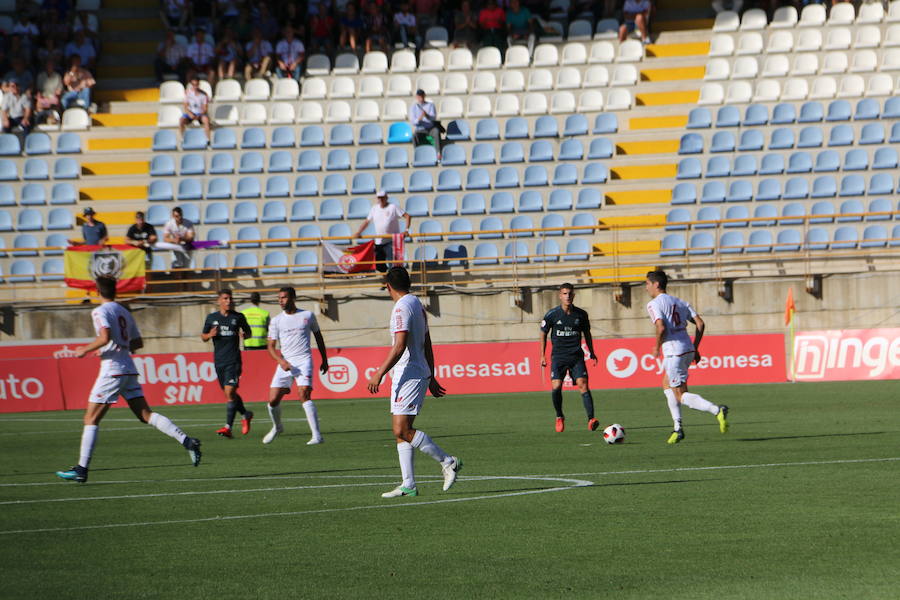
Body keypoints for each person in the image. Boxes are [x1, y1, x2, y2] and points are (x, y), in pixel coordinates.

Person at [55, 276, 202, 483]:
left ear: (97, 291)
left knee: (90, 419)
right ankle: (187, 441)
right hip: (128, 368)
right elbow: (138, 342)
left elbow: (104, 336)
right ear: (115, 290)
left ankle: (81, 469)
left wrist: (84, 350)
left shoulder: (100, 311)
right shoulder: (124, 311)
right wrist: (113, 348)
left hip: (112, 370)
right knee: (146, 415)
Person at [367, 266, 461, 498]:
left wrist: (378, 373)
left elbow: (399, 346)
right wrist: (432, 373)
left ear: (388, 286)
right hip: (414, 372)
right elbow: (427, 342)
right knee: (399, 432)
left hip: (409, 373)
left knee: (402, 429)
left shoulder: (401, 308)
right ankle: (408, 484)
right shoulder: (417, 304)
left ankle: (447, 460)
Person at [644, 270, 729, 444]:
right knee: (667, 383)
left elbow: (660, 327)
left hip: (673, 351)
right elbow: (700, 323)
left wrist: (656, 347)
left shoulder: (653, 304)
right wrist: (695, 348)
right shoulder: (681, 302)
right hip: (687, 348)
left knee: (680, 395)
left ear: (656, 284)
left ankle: (716, 410)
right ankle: (678, 428)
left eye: (647, 284)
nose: (646, 288)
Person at [263, 287, 329, 445]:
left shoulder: (307, 316)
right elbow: (270, 346)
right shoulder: (276, 320)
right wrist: (281, 361)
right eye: (279, 298)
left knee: (304, 394)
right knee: (272, 400)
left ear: (293, 298)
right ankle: (277, 427)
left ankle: (317, 436)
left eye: (284, 297)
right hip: (285, 362)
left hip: (304, 360)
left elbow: (319, 337)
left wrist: (324, 360)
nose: (281, 301)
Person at [539, 283, 599, 433]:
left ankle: (591, 419)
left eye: (570, 294)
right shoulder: (552, 314)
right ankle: (559, 416)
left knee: (583, 384)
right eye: (564, 294)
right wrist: (542, 355)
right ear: (560, 296)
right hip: (558, 357)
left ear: (574, 295)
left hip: (576, 356)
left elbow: (588, 334)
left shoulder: (581, 315)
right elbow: (543, 333)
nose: (567, 296)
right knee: (556, 387)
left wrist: (592, 352)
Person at [202, 289, 255, 438]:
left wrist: (245, 335)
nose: (228, 301)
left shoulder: (238, 317)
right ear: (219, 301)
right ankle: (245, 414)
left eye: (230, 298)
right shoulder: (211, 318)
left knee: (230, 393)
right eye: (225, 298)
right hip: (219, 362)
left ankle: (228, 427)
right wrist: (210, 335)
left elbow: (249, 332)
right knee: (228, 393)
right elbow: (203, 336)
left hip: (234, 361)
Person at [353, 190, 411, 273]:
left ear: (386, 198)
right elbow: (367, 221)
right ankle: (386, 281)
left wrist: (406, 230)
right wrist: (359, 232)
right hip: (379, 241)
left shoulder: (393, 207)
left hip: (392, 241)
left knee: (393, 265)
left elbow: (407, 216)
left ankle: (393, 282)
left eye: (382, 197)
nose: (381, 199)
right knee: (379, 264)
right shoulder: (374, 208)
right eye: (379, 198)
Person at [408, 89, 442, 156]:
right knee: (414, 136)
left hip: (430, 128)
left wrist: (426, 115)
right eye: (419, 96)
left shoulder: (430, 105)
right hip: (420, 128)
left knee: (436, 131)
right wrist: (420, 118)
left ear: (424, 96)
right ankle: (417, 153)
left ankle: (438, 152)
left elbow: (433, 118)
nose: (421, 98)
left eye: (422, 96)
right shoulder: (413, 107)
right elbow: (413, 122)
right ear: (417, 97)